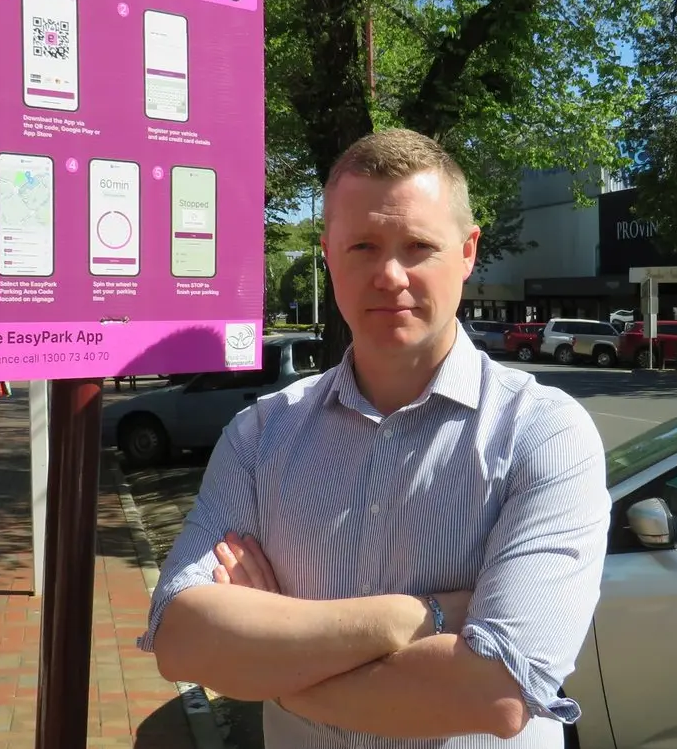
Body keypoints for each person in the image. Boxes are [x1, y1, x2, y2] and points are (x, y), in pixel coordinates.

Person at [140, 129, 610, 747]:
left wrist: (273, 670)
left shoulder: (543, 434)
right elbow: (180, 639)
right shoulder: (261, 435)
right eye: (363, 245)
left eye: (418, 246)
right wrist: (422, 617)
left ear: (468, 253)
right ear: (328, 254)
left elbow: (497, 693)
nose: (390, 275)